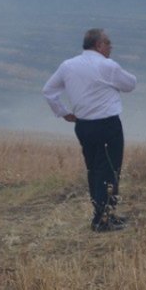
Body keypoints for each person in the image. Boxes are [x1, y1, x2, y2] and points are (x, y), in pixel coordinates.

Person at [42, 28, 137, 233]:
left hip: (83, 125)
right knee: (109, 170)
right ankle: (103, 219)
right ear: (99, 45)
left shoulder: (68, 66)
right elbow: (130, 84)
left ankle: (103, 214)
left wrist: (64, 113)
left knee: (94, 170)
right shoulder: (107, 66)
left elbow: (48, 91)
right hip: (107, 125)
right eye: (108, 43)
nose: (111, 47)